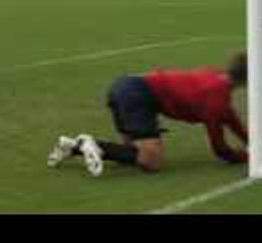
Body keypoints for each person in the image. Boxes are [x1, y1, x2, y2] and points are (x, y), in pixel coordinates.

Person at [47, 51, 248, 175]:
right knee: (152, 163)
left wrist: (252, 142)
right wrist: (246, 158)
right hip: (137, 95)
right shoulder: (217, 101)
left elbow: (229, 117)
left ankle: (73, 147)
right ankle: (90, 144)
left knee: (132, 153)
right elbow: (220, 149)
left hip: (124, 86)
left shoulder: (213, 74)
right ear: (247, 80)